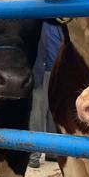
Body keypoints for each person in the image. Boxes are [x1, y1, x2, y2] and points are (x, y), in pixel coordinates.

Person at [28, 21, 63, 168]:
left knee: (53, 112)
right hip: (39, 71)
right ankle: (34, 154)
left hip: (57, 70)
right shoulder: (37, 21)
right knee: (37, 112)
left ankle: (52, 151)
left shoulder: (61, 23)